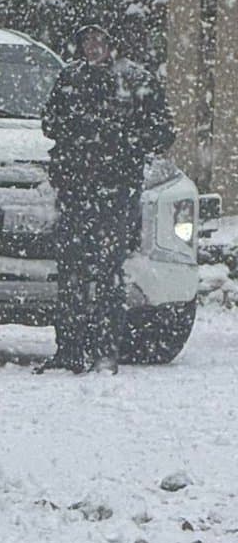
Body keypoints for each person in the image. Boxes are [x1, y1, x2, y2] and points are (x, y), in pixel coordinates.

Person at [35, 24, 175, 375]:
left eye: (99, 40)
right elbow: (50, 123)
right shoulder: (71, 78)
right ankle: (69, 348)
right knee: (70, 271)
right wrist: (77, 136)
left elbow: (161, 131)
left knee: (108, 270)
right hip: (75, 189)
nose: (92, 47)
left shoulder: (135, 80)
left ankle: (105, 350)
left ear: (113, 43)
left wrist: (120, 141)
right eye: (86, 41)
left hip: (115, 190)